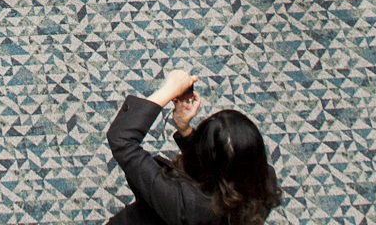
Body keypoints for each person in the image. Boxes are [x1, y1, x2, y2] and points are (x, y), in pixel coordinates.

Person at [103, 72, 283, 225]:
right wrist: (185, 131)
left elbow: (122, 139)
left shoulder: (181, 203)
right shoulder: (263, 181)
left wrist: (168, 90)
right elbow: (220, 166)